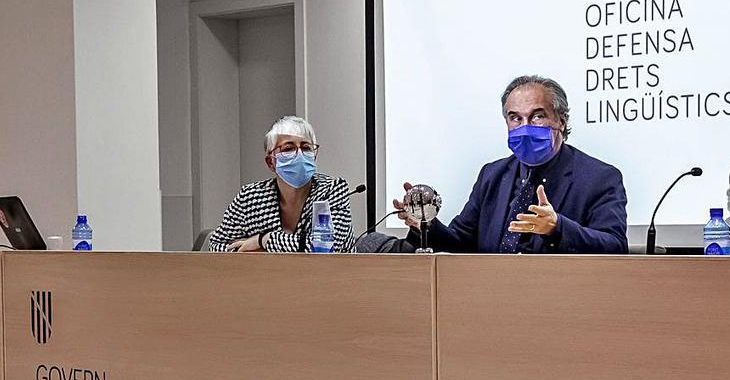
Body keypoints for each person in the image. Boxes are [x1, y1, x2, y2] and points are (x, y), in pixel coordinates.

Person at [394, 75, 628, 254]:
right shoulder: (492, 175)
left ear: (561, 120)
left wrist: (557, 228)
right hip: (490, 296)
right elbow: (460, 243)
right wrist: (426, 224)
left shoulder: (599, 177)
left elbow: (615, 246)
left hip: (557, 300)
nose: (525, 126)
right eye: (515, 118)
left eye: (537, 116)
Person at [208, 115, 354, 252]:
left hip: (330, 277)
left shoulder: (333, 189)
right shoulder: (250, 197)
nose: (299, 155)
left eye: (305, 148)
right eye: (288, 149)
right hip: (268, 277)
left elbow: (324, 248)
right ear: (271, 162)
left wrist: (264, 240)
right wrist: (264, 254)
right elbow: (216, 246)